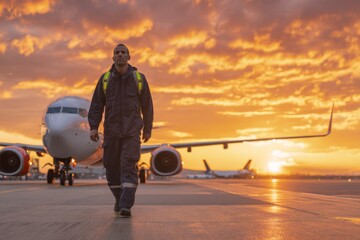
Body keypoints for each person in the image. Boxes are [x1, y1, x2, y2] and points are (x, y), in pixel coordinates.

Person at [88, 43, 153, 217]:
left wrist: (148, 128)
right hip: (111, 132)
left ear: (129, 57)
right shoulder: (105, 79)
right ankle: (119, 198)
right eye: (117, 52)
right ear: (113, 57)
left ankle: (126, 204)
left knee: (128, 165)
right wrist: (94, 127)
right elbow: (96, 105)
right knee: (111, 168)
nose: (120, 55)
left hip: (131, 132)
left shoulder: (138, 79)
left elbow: (147, 106)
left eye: (123, 52)